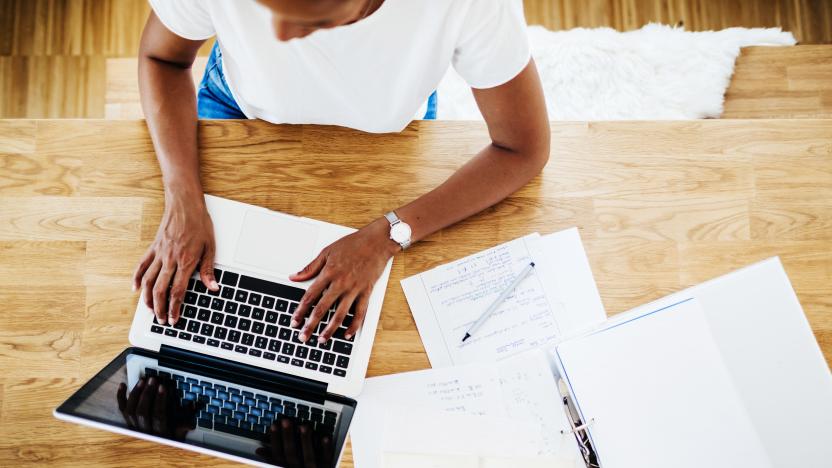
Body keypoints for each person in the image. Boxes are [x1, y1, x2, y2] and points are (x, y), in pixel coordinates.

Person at [132, 0, 550, 346]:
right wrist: (182, 194)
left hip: (389, 134)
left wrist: (387, 235)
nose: (279, 35)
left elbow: (523, 148)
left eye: (313, 18)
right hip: (238, 110)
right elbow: (161, 57)